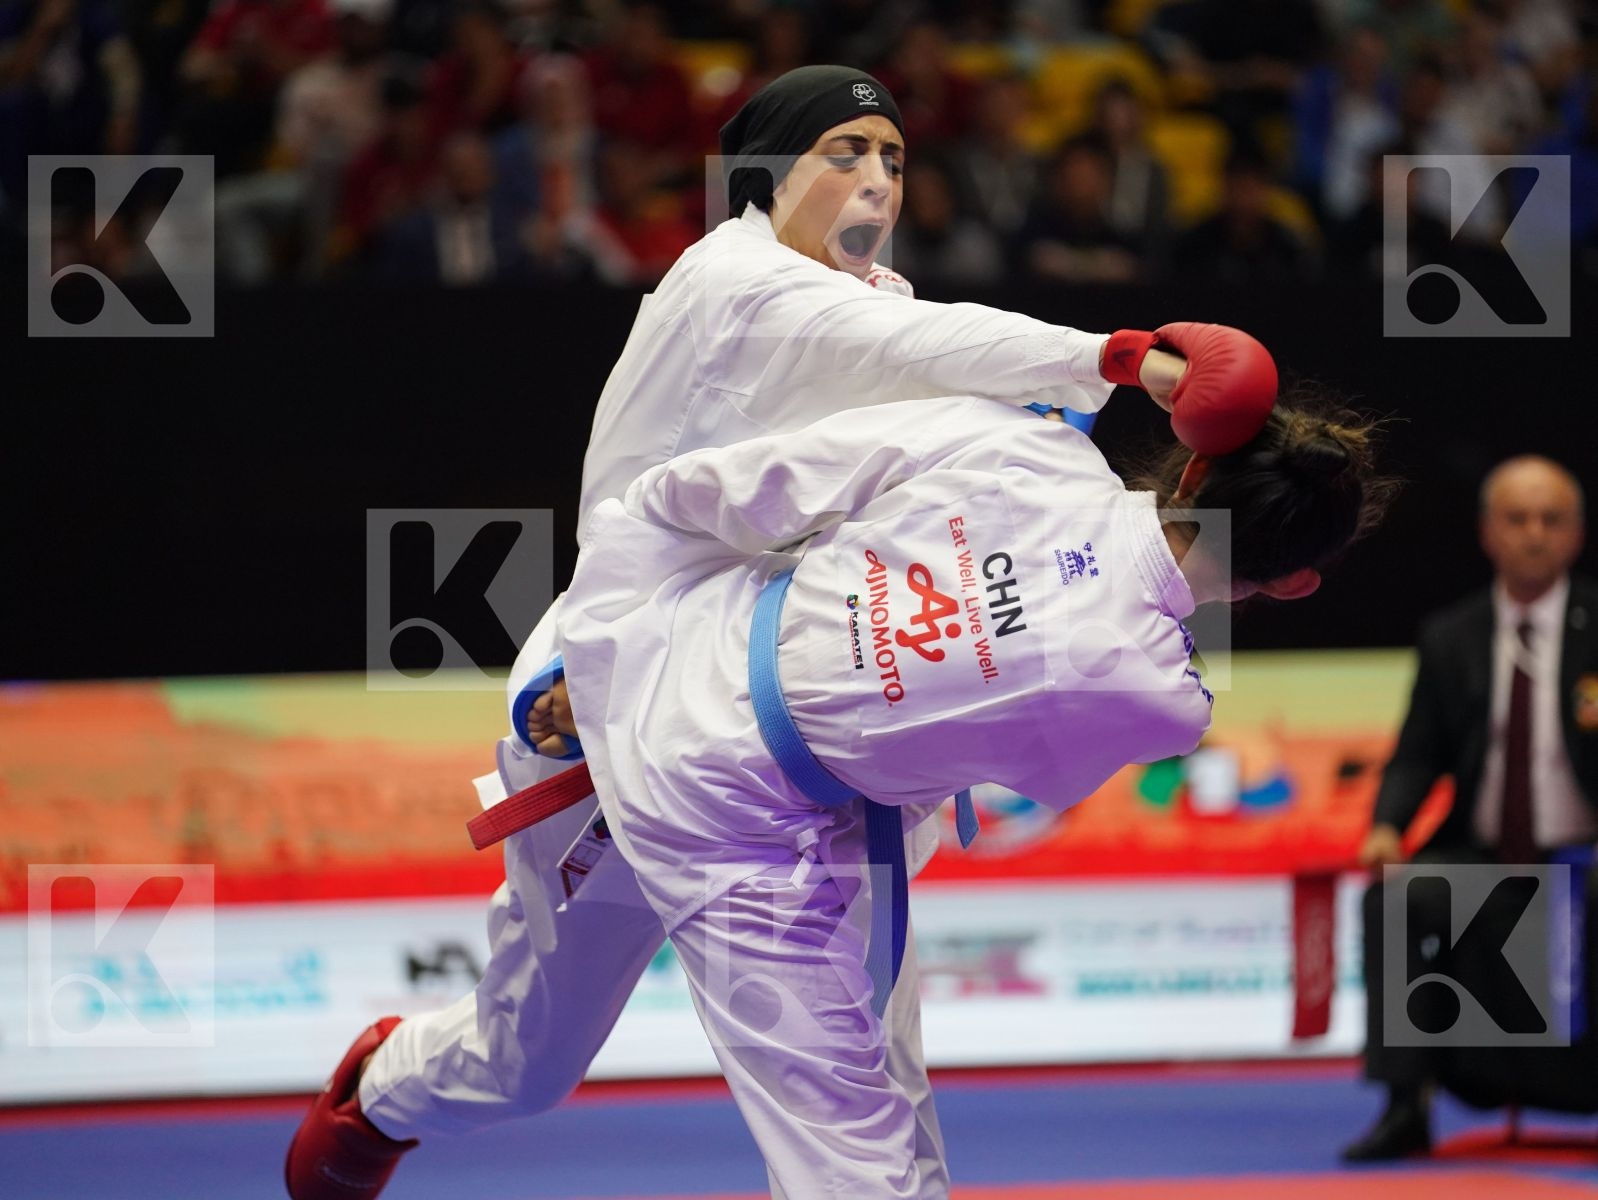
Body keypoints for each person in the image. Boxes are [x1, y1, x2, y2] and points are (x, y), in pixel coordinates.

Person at [286, 64, 1258, 1200]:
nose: (876, 180)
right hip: (613, 685)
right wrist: (1123, 359)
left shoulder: (876, 309)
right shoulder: (731, 279)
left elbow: (950, 407)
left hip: (799, 738)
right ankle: (386, 1087)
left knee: (870, 1074)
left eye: (893, 159)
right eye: (843, 152)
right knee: (528, 1060)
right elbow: (939, 349)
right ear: (767, 174)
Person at [542, 383, 1389, 1192]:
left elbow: (754, 481)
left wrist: (602, 647)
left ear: (1192, 466)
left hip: (667, 638)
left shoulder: (1033, 447)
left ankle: (403, 1099)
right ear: (1292, 581)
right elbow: (1025, 766)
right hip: (729, 827)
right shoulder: (1165, 699)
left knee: (526, 1063)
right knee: (856, 1170)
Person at [1342, 455, 1598, 1162]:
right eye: (1518, 519)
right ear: (1488, 532)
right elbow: (1418, 752)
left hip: (1587, 855)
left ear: (1576, 534)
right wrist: (1388, 826)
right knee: (1397, 898)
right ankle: (1405, 1106)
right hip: (1486, 854)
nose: (1535, 535)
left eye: (1551, 520)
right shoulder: (1451, 635)